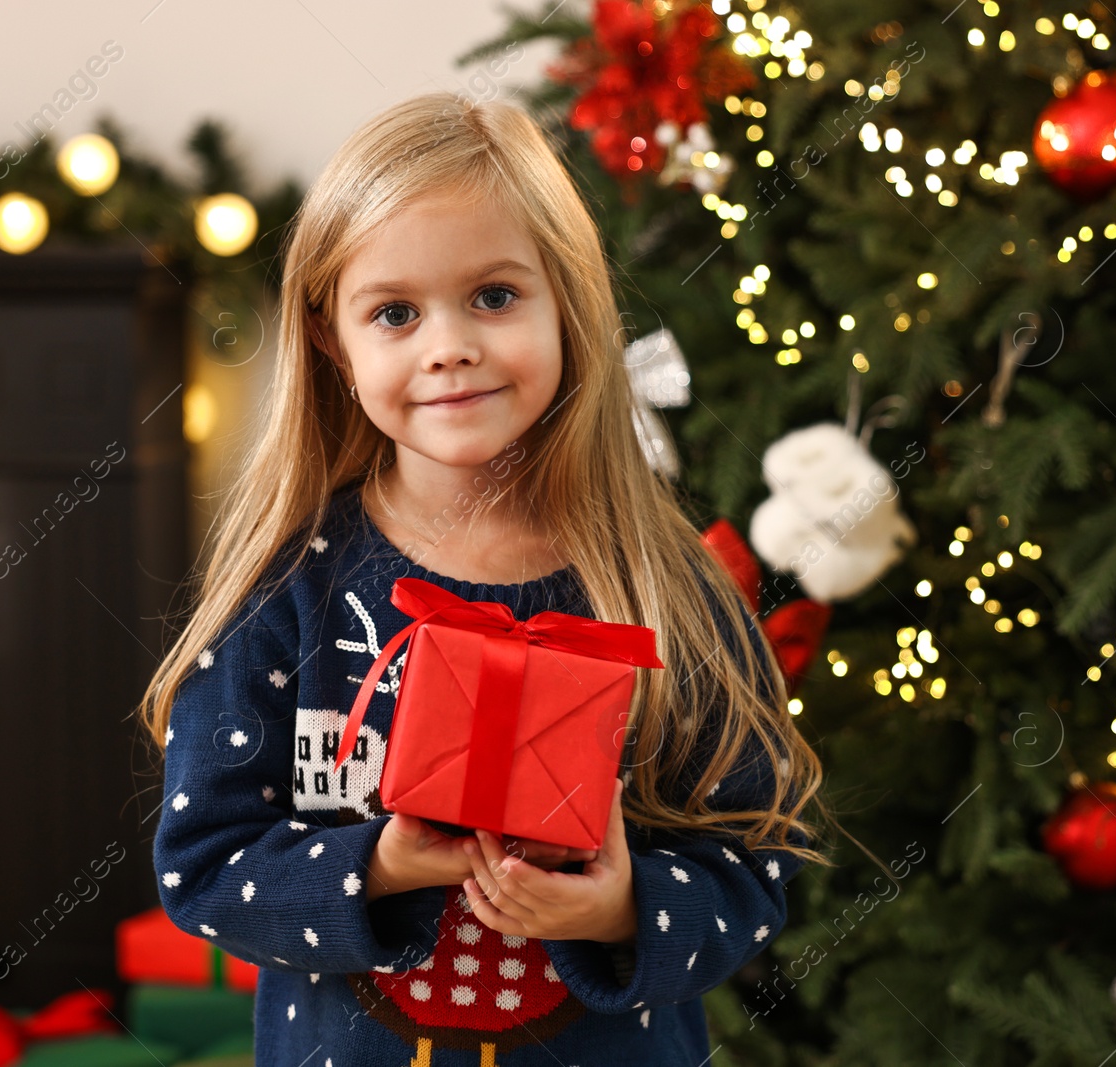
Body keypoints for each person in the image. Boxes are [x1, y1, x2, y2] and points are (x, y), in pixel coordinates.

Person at [139, 90, 835, 1066]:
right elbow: (203, 866)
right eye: (394, 312)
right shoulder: (287, 584)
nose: (448, 345)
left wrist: (620, 906)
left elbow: (753, 869)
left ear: (568, 303)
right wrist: (373, 868)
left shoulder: (664, 585)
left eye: (495, 297)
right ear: (335, 341)